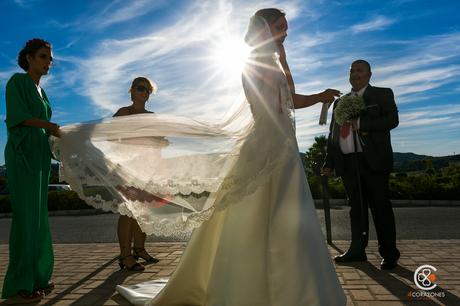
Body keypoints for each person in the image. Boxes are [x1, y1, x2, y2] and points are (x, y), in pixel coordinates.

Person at [113, 8, 346, 305]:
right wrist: (302, 91)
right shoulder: (253, 63)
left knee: (290, 213)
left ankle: (295, 283)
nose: (285, 33)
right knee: (254, 213)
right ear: (263, 30)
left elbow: (290, 100)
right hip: (267, 143)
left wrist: (307, 84)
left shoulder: (275, 60)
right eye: (279, 27)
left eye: (286, 28)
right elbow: (271, 107)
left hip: (284, 144)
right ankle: (245, 281)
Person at [322, 59, 400, 270]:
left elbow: (392, 120)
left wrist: (362, 123)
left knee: (380, 208)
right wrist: (328, 162)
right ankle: (357, 250)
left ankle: (389, 254)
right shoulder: (340, 102)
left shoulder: (382, 95)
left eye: (359, 70)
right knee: (356, 209)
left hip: (373, 161)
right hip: (348, 162)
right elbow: (333, 134)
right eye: (352, 70)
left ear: (369, 74)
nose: (355, 74)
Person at [2, 38, 60, 304]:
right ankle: (19, 284)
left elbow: (44, 123)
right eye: (43, 57)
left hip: (39, 157)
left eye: (49, 58)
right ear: (28, 58)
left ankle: (38, 277)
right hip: (22, 154)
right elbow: (18, 116)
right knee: (26, 218)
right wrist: (49, 126)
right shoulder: (18, 82)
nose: (48, 62)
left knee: (38, 218)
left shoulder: (42, 92)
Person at [114, 77, 159, 271]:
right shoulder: (125, 112)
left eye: (148, 90)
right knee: (128, 211)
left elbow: (157, 141)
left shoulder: (152, 115)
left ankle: (139, 249)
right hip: (128, 167)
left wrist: (160, 143)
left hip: (148, 167)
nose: (144, 92)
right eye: (141, 88)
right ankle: (125, 256)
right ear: (131, 90)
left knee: (144, 211)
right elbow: (109, 136)